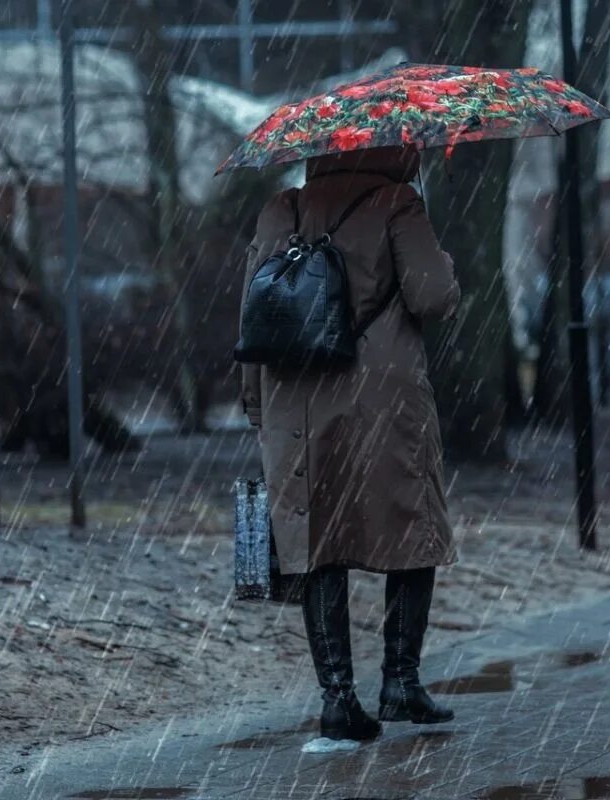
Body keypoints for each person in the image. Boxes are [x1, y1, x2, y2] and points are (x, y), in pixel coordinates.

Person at [240, 145, 460, 742]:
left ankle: (338, 697)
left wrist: (256, 406)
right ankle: (400, 682)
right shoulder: (398, 203)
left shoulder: (280, 210)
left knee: (317, 540)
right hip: (379, 398)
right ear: (395, 149)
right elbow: (432, 297)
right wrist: (438, 258)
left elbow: (252, 314)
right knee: (412, 529)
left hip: (293, 398)